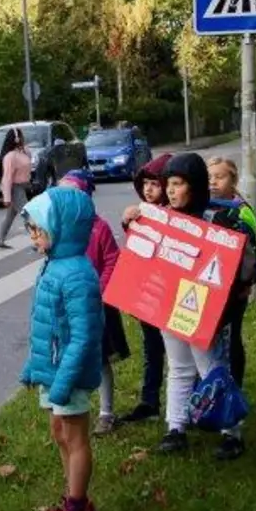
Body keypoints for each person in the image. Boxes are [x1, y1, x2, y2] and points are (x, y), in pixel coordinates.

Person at [17, 186, 104, 511]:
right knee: (59, 433)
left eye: (38, 229)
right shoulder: (53, 265)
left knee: (75, 435)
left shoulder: (78, 275)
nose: (33, 236)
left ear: (62, 228)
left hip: (69, 374)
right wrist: (32, 368)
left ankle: (78, 508)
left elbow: (83, 336)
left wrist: (65, 381)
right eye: (31, 230)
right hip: (54, 371)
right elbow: (44, 326)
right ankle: (72, 494)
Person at [154, 152, 252, 460]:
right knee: (179, 366)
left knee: (212, 367)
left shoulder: (221, 218)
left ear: (193, 186)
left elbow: (243, 265)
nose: (171, 191)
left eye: (178, 184)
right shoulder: (163, 218)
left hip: (204, 308)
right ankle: (176, 426)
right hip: (170, 303)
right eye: (168, 184)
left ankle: (231, 431)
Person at [57, 170, 128, 436]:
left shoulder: (99, 227)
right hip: (69, 305)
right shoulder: (59, 228)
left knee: (100, 360)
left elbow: (112, 259)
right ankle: (75, 409)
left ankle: (106, 413)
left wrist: (99, 290)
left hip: (96, 305)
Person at [115, 152, 172, 423]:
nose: (149, 189)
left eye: (155, 184)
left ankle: (184, 402)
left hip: (171, 294)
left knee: (178, 353)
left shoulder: (176, 214)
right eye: (145, 184)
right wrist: (128, 224)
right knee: (152, 349)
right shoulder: (141, 212)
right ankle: (150, 401)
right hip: (150, 294)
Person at [204, 157, 256, 391]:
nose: (213, 182)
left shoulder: (242, 212)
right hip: (208, 283)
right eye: (209, 177)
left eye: (220, 177)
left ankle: (234, 386)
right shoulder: (204, 207)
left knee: (232, 335)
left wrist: (246, 282)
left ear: (234, 179)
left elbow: (251, 253)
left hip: (236, 288)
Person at [0, 128, 33, 249]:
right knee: (29, 214)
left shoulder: (24, 152)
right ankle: (38, 239)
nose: (23, 138)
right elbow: (7, 178)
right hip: (15, 188)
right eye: (21, 136)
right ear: (16, 138)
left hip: (23, 186)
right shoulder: (10, 157)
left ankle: (0, 240)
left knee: (10, 215)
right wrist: (7, 197)